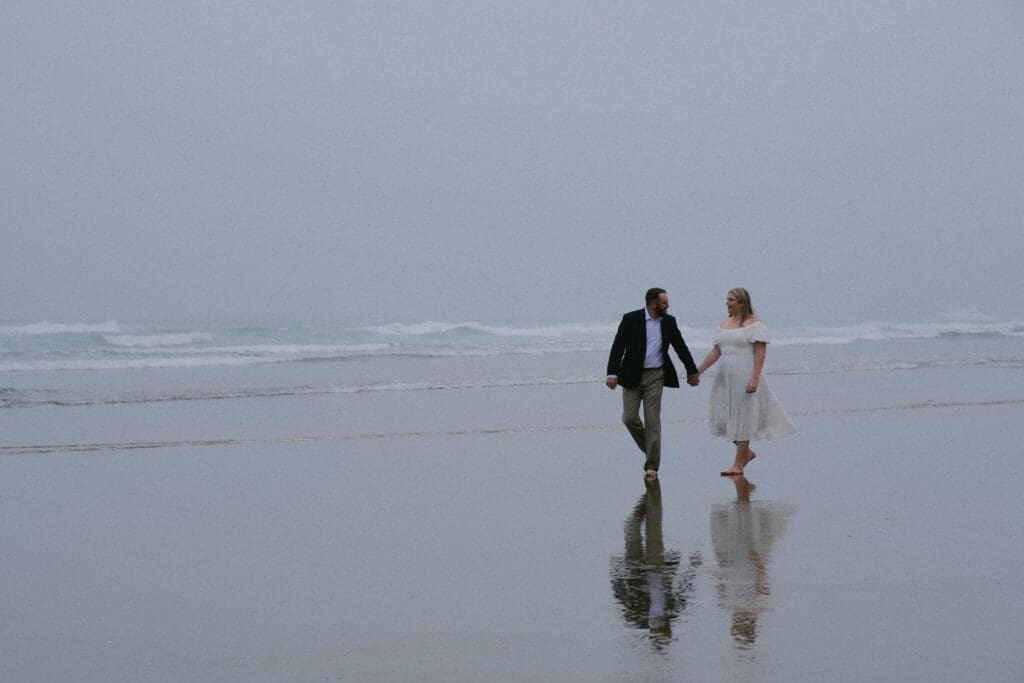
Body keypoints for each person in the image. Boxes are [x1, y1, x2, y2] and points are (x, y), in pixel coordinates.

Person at [694, 288, 796, 476]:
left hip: (746, 374)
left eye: (731, 300)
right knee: (723, 417)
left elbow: (760, 352)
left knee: (743, 417)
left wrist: (755, 378)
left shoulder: (754, 324)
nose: (727, 302)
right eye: (727, 299)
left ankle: (738, 464)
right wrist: (698, 371)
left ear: (742, 303)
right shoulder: (724, 323)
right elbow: (716, 351)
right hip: (725, 376)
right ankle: (746, 453)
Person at [607, 288, 700, 480]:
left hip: (656, 375)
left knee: (652, 421)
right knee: (629, 418)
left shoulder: (669, 322)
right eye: (664, 302)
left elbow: (680, 347)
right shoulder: (631, 319)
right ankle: (651, 448)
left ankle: (652, 466)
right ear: (653, 303)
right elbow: (618, 346)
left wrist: (692, 371)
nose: (668, 306)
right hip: (632, 376)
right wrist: (612, 373)